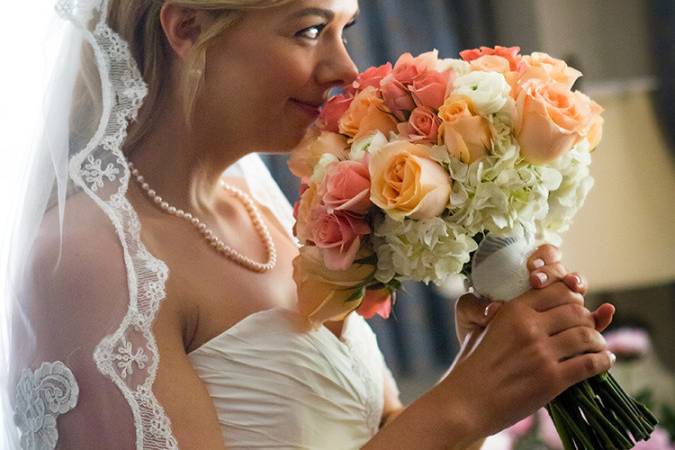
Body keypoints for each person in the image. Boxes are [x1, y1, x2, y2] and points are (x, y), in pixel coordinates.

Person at [3, 0, 616, 449]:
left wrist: (487, 364)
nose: (346, 69)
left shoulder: (269, 208)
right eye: (310, 30)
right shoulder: (89, 256)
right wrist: (468, 403)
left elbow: (376, 435)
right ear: (186, 27)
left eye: (344, 30)